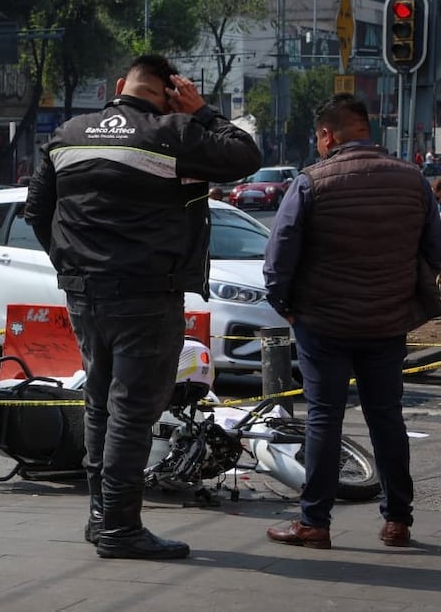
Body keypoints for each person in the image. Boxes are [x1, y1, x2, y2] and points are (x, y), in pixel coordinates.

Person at [25, 54, 261, 560]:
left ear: (119, 85)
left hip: (85, 293)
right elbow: (244, 155)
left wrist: (73, 264)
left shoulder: (69, 134)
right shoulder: (173, 132)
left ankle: (101, 517)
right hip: (147, 295)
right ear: (171, 94)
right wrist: (202, 111)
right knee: (132, 413)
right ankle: (120, 528)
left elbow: (37, 210)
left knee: (100, 405)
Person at [263, 94, 441, 550]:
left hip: (323, 322)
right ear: (366, 130)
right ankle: (398, 521)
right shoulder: (413, 181)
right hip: (388, 321)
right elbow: (435, 250)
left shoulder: (310, 182)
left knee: (324, 417)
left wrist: (283, 303)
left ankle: (315, 523)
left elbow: (280, 253)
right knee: (387, 418)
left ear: (327, 135)